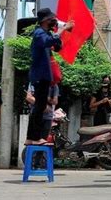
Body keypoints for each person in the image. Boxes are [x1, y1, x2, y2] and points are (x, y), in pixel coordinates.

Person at [27, 8, 73, 145]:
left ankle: (31, 137)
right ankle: (35, 138)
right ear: (45, 20)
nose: (54, 20)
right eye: (51, 19)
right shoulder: (39, 33)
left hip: (44, 75)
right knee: (39, 107)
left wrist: (60, 30)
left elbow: (57, 46)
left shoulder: (46, 34)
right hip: (40, 75)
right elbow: (48, 41)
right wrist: (62, 29)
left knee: (39, 107)